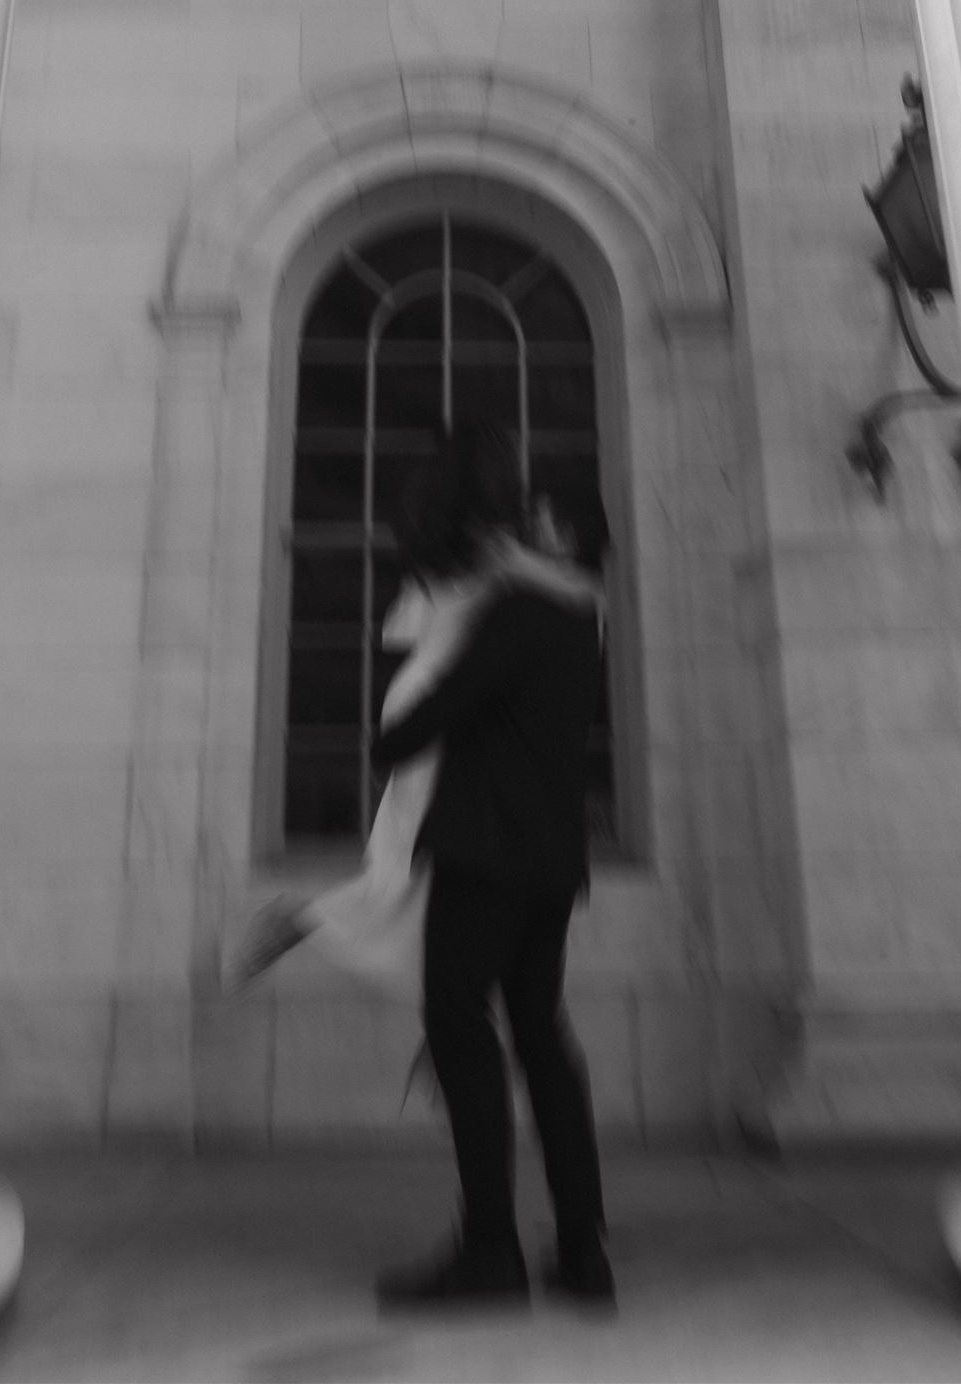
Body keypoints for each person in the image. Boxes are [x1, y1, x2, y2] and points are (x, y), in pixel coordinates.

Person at [228, 431, 603, 1010]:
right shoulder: (505, 561)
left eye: (541, 516)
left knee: (432, 864)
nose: (531, 515)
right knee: (426, 862)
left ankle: (440, 1001)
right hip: (441, 700)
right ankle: (306, 924)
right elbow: (575, 591)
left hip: (433, 695)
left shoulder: (474, 559)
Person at [371, 454, 615, 1313]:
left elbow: (437, 713)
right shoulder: (585, 617)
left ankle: (489, 1251)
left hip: (487, 858)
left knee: (458, 1027)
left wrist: (389, 737)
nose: (522, 525)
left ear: (564, 532)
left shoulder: (523, 612)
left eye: (539, 515)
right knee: (541, 1038)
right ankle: (583, 1252)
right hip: (550, 865)